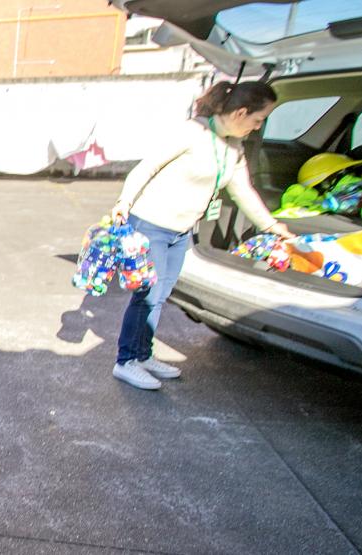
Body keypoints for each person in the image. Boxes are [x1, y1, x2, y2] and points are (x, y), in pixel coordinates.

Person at [110, 80, 294, 391]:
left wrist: (271, 226)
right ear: (240, 112)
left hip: (181, 231)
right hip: (151, 225)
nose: (257, 127)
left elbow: (243, 192)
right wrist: (123, 202)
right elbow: (146, 168)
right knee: (146, 297)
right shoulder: (192, 133)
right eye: (257, 119)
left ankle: (143, 355)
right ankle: (125, 361)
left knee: (161, 297)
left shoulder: (233, 148)